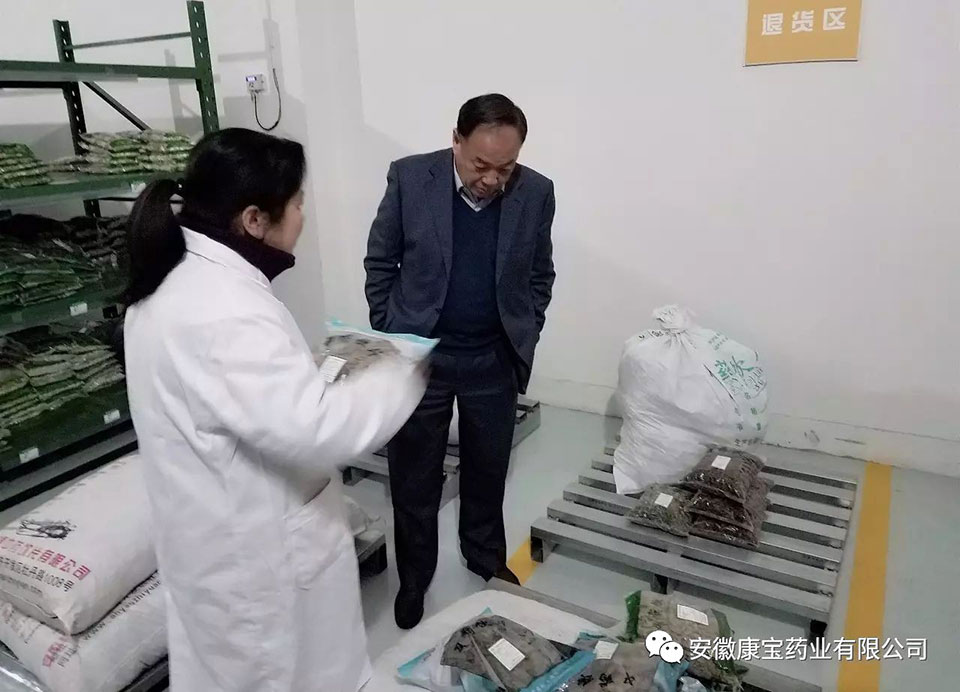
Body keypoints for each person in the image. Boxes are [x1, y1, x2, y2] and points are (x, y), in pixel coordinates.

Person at [124, 128, 426, 691]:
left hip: (214, 548)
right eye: (299, 203)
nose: (304, 216)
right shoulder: (224, 310)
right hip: (255, 569)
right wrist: (402, 372)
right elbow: (319, 429)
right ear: (255, 219)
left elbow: (243, 398)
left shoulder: (180, 280)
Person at [364, 94, 557, 629]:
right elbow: (380, 261)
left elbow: (540, 273)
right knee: (414, 478)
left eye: (505, 168)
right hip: (422, 357)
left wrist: (527, 329)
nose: (492, 180)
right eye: (480, 165)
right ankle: (414, 578)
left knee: (488, 470)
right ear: (456, 140)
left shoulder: (536, 192)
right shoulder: (410, 178)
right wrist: (393, 331)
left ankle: (484, 556)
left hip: (492, 357)